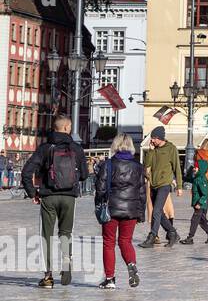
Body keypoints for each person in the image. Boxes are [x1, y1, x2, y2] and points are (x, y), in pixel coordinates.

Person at [22, 115, 89, 288]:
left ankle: (48, 277)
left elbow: (26, 172)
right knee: (66, 233)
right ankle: (66, 262)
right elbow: (84, 175)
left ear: (54, 128)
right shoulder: (77, 149)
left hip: (48, 196)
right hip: (69, 198)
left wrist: (32, 193)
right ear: (67, 128)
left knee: (46, 235)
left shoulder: (45, 148)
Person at [95, 133, 146, 290]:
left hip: (111, 209)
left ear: (115, 146)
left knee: (109, 243)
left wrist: (98, 206)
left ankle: (110, 279)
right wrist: (140, 213)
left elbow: (100, 189)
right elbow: (142, 192)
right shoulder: (138, 166)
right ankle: (131, 265)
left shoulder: (109, 165)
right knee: (126, 241)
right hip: (131, 210)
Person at [141, 127, 181, 249]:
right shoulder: (154, 150)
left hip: (164, 185)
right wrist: (151, 151)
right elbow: (147, 164)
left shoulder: (171, 149)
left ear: (159, 138)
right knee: (159, 213)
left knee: (156, 211)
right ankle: (173, 233)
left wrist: (179, 186)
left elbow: (177, 167)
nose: (151, 140)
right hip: (153, 184)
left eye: (153, 138)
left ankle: (152, 236)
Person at [179, 139, 208, 245]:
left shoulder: (198, 157)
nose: (193, 168)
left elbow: (204, 194)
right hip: (204, 183)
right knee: (201, 219)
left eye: (195, 167)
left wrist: (200, 203)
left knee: (196, 218)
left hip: (200, 197)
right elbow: (190, 178)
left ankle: (190, 238)